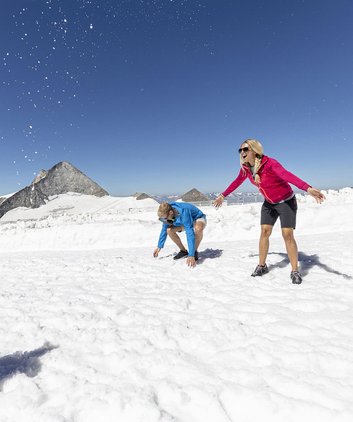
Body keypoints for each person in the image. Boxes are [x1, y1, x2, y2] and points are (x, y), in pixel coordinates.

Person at [213, 138, 325, 284]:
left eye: (245, 149)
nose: (242, 152)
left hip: (286, 201)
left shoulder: (270, 163)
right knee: (265, 232)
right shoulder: (246, 168)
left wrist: (307, 188)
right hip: (269, 203)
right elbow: (236, 182)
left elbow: (287, 175)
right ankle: (262, 265)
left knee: (287, 235)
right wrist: (223, 195)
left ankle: (295, 270)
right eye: (240, 150)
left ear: (254, 150)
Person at [153, 202, 207, 267]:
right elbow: (164, 229)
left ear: (170, 212)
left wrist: (191, 254)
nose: (164, 220)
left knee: (198, 228)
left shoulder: (184, 212)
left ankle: (194, 252)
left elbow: (190, 234)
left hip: (197, 218)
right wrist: (159, 246)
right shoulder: (168, 215)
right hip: (183, 221)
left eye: (164, 218)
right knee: (169, 230)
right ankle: (183, 251)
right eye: (162, 219)